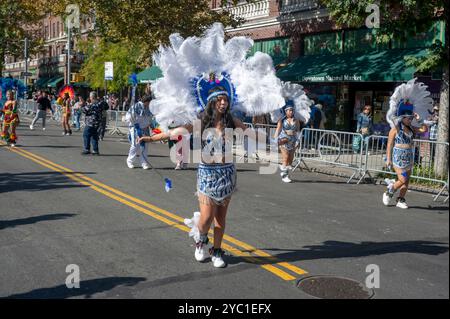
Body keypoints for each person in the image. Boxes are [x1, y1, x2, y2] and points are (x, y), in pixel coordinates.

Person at [137, 23, 284, 268]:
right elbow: (174, 131)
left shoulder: (231, 120)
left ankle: (216, 251)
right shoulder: (201, 122)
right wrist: (151, 138)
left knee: (221, 220)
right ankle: (199, 240)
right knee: (206, 219)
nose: (224, 103)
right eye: (220, 99)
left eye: (226, 99)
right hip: (207, 174)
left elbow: (251, 133)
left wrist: (272, 140)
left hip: (227, 172)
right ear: (212, 102)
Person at [383, 79, 432, 209]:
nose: (410, 120)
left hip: (408, 157)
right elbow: (389, 144)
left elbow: (424, 129)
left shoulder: (411, 128)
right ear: (402, 118)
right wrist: (388, 159)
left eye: (411, 118)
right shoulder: (395, 129)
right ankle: (390, 190)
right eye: (408, 118)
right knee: (402, 179)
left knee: (406, 181)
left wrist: (419, 119)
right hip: (397, 157)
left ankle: (401, 199)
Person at [272, 82, 312, 183]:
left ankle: (283, 167)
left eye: (292, 110)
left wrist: (298, 140)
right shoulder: (282, 120)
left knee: (290, 160)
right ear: (285, 111)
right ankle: (285, 176)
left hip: (292, 140)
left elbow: (298, 131)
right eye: (289, 110)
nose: (291, 112)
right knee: (285, 157)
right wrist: (275, 140)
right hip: (283, 139)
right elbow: (278, 129)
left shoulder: (296, 120)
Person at [125, 95, 153, 169]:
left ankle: (144, 163)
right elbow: (128, 116)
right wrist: (133, 122)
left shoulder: (149, 108)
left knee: (145, 146)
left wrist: (152, 127)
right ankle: (130, 161)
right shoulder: (136, 106)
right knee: (135, 145)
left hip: (145, 129)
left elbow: (150, 119)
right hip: (136, 128)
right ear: (147, 102)